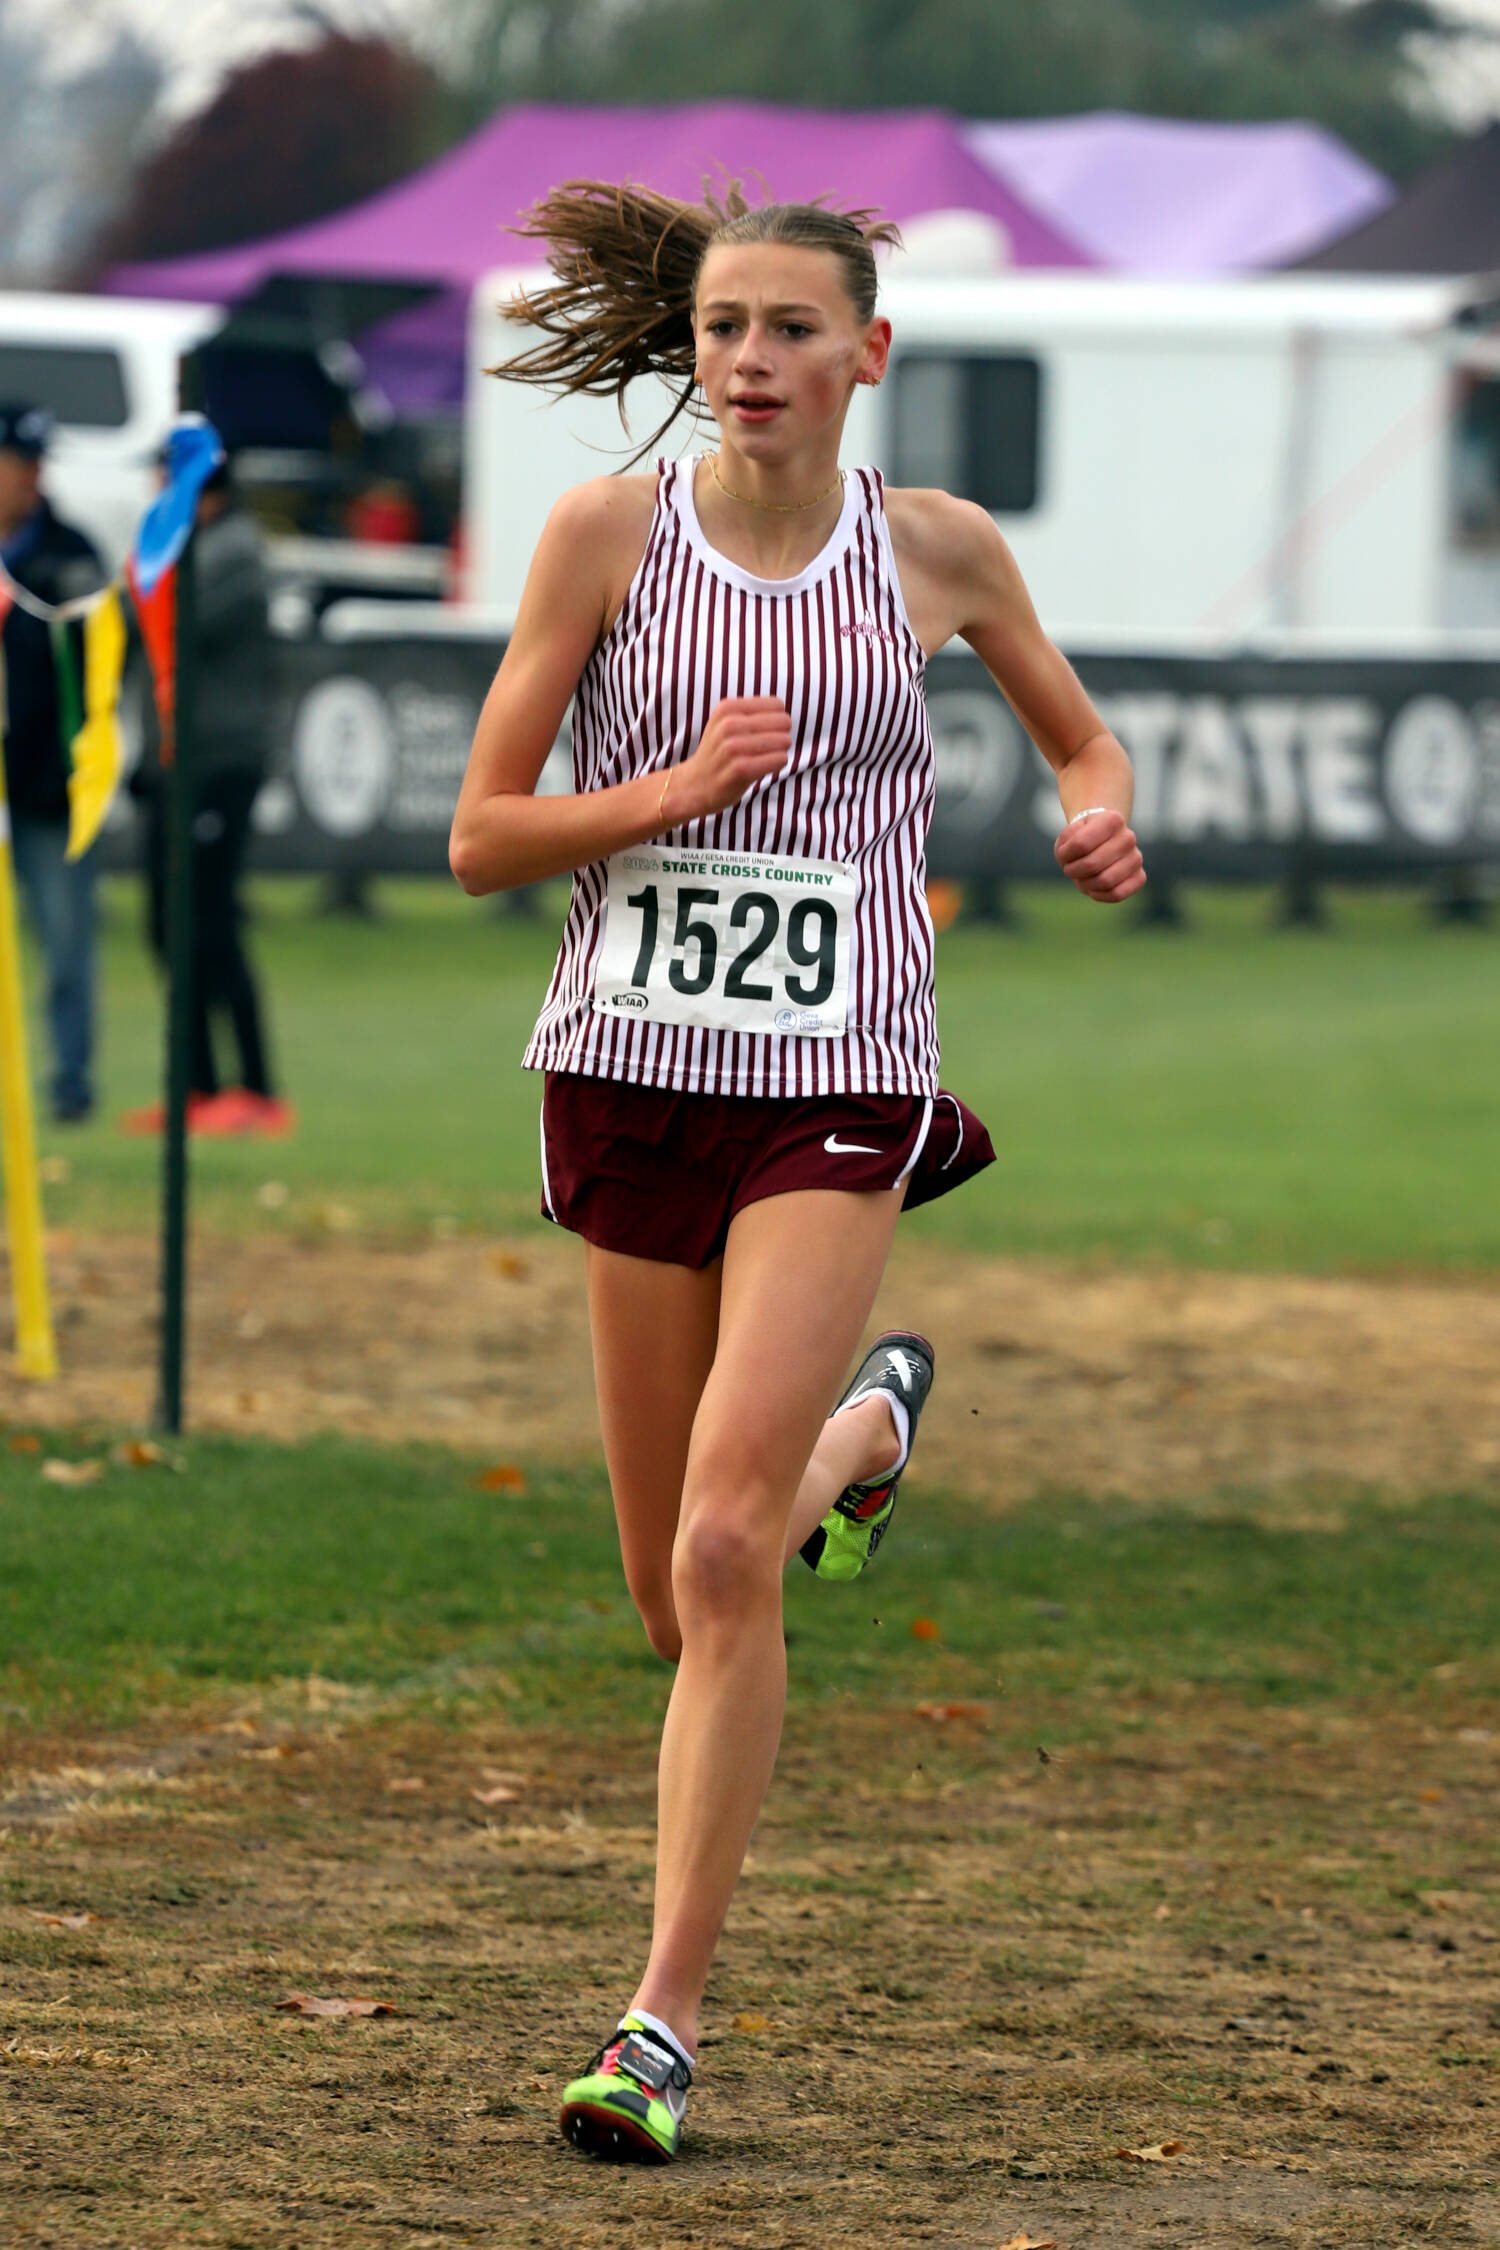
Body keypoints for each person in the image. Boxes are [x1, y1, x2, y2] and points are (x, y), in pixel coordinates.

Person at [449, 184, 1146, 2166]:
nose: (749, 359)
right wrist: (660, 796)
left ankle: (658, 2020)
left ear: (867, 356)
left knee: (730, 1552)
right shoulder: (606, 538)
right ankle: (872, 1433)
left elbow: (1083, 744)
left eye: (788, 328)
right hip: (629, 1077)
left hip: (836, 1082)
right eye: (723, 325)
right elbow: (483, 838)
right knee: (678, 1602)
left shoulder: (931, 554)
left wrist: (1102, 816)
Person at [123, 457, 292, 1139]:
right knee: (168, 927)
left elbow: (164, 618)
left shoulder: (234, 553)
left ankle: (256, 1089)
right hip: (173, 764)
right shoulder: (190, 550)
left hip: (218, 764)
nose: (154, 495)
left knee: (211, 925)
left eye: (166, 482)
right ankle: (196, 1085)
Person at [0, 402, 107, 1123]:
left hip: (45, 788)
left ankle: (70, 1084)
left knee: (67, 939)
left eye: (39, 462)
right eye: (20, 460)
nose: (32, 476)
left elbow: (99, 659)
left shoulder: (70, 552)